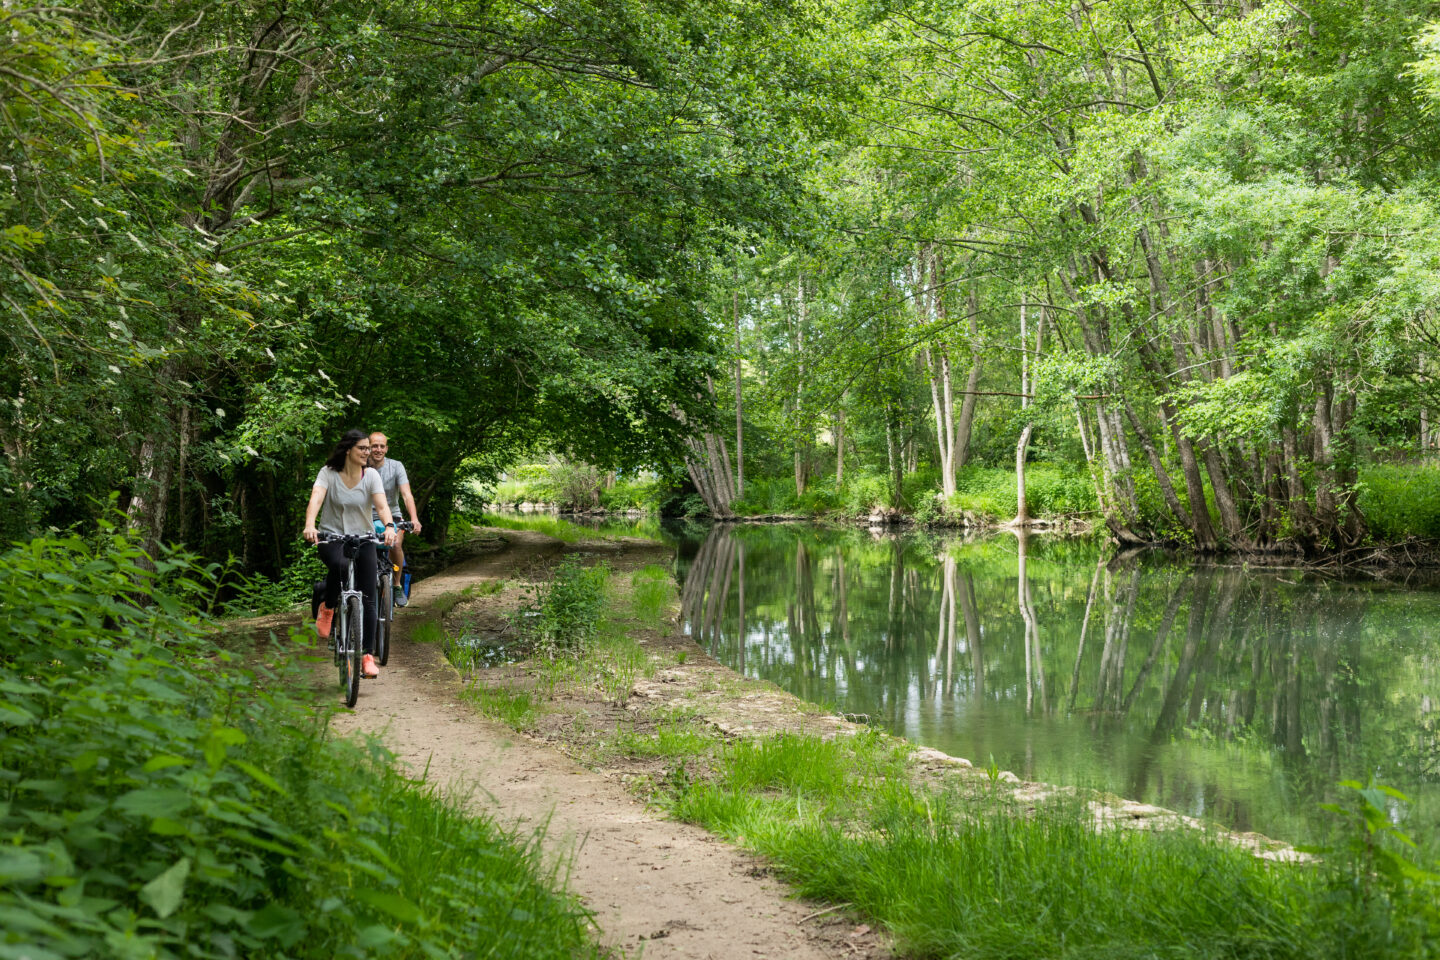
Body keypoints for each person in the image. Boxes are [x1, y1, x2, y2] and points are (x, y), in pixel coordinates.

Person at [303, 429, 397, 679]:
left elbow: (381, 505)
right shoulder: (328, 473)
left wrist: (389, 526)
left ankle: (367, 656)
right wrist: (310, 525)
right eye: (363, 448)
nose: (368, 452)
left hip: (363, 538)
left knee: (369, 597)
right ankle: (328, 606)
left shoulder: (371, 475)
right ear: (348, 450)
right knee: (341, 565)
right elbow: (316, 498)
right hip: (331, 537)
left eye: (369, 448)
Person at [368, 431, 422, 607]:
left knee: (396, 544)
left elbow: (406, 495)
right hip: (366, 516)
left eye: (381, 446)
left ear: (387, 448)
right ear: (368, 447)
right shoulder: (361, 466)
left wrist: (414, 519)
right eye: (374, 446)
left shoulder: (396, 466)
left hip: (392, 515)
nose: (378, 449)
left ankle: (397, 585)